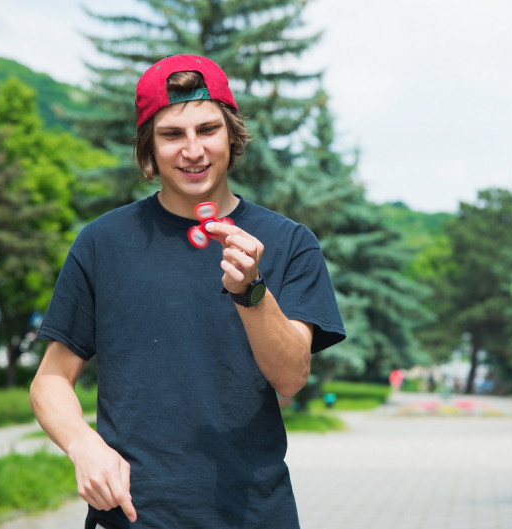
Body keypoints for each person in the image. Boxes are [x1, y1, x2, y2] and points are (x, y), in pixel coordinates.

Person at [29, 54, 346, 529]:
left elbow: (291, 377)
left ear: (232, 135)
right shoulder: (102, 243)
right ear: (149, 149)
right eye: (172, 134)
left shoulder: (288, 242)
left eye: (208, 130)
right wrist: (83, 444)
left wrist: (251, 293)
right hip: (132, 517)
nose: (193, 150)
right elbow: (50, 379)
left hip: (253, 515)